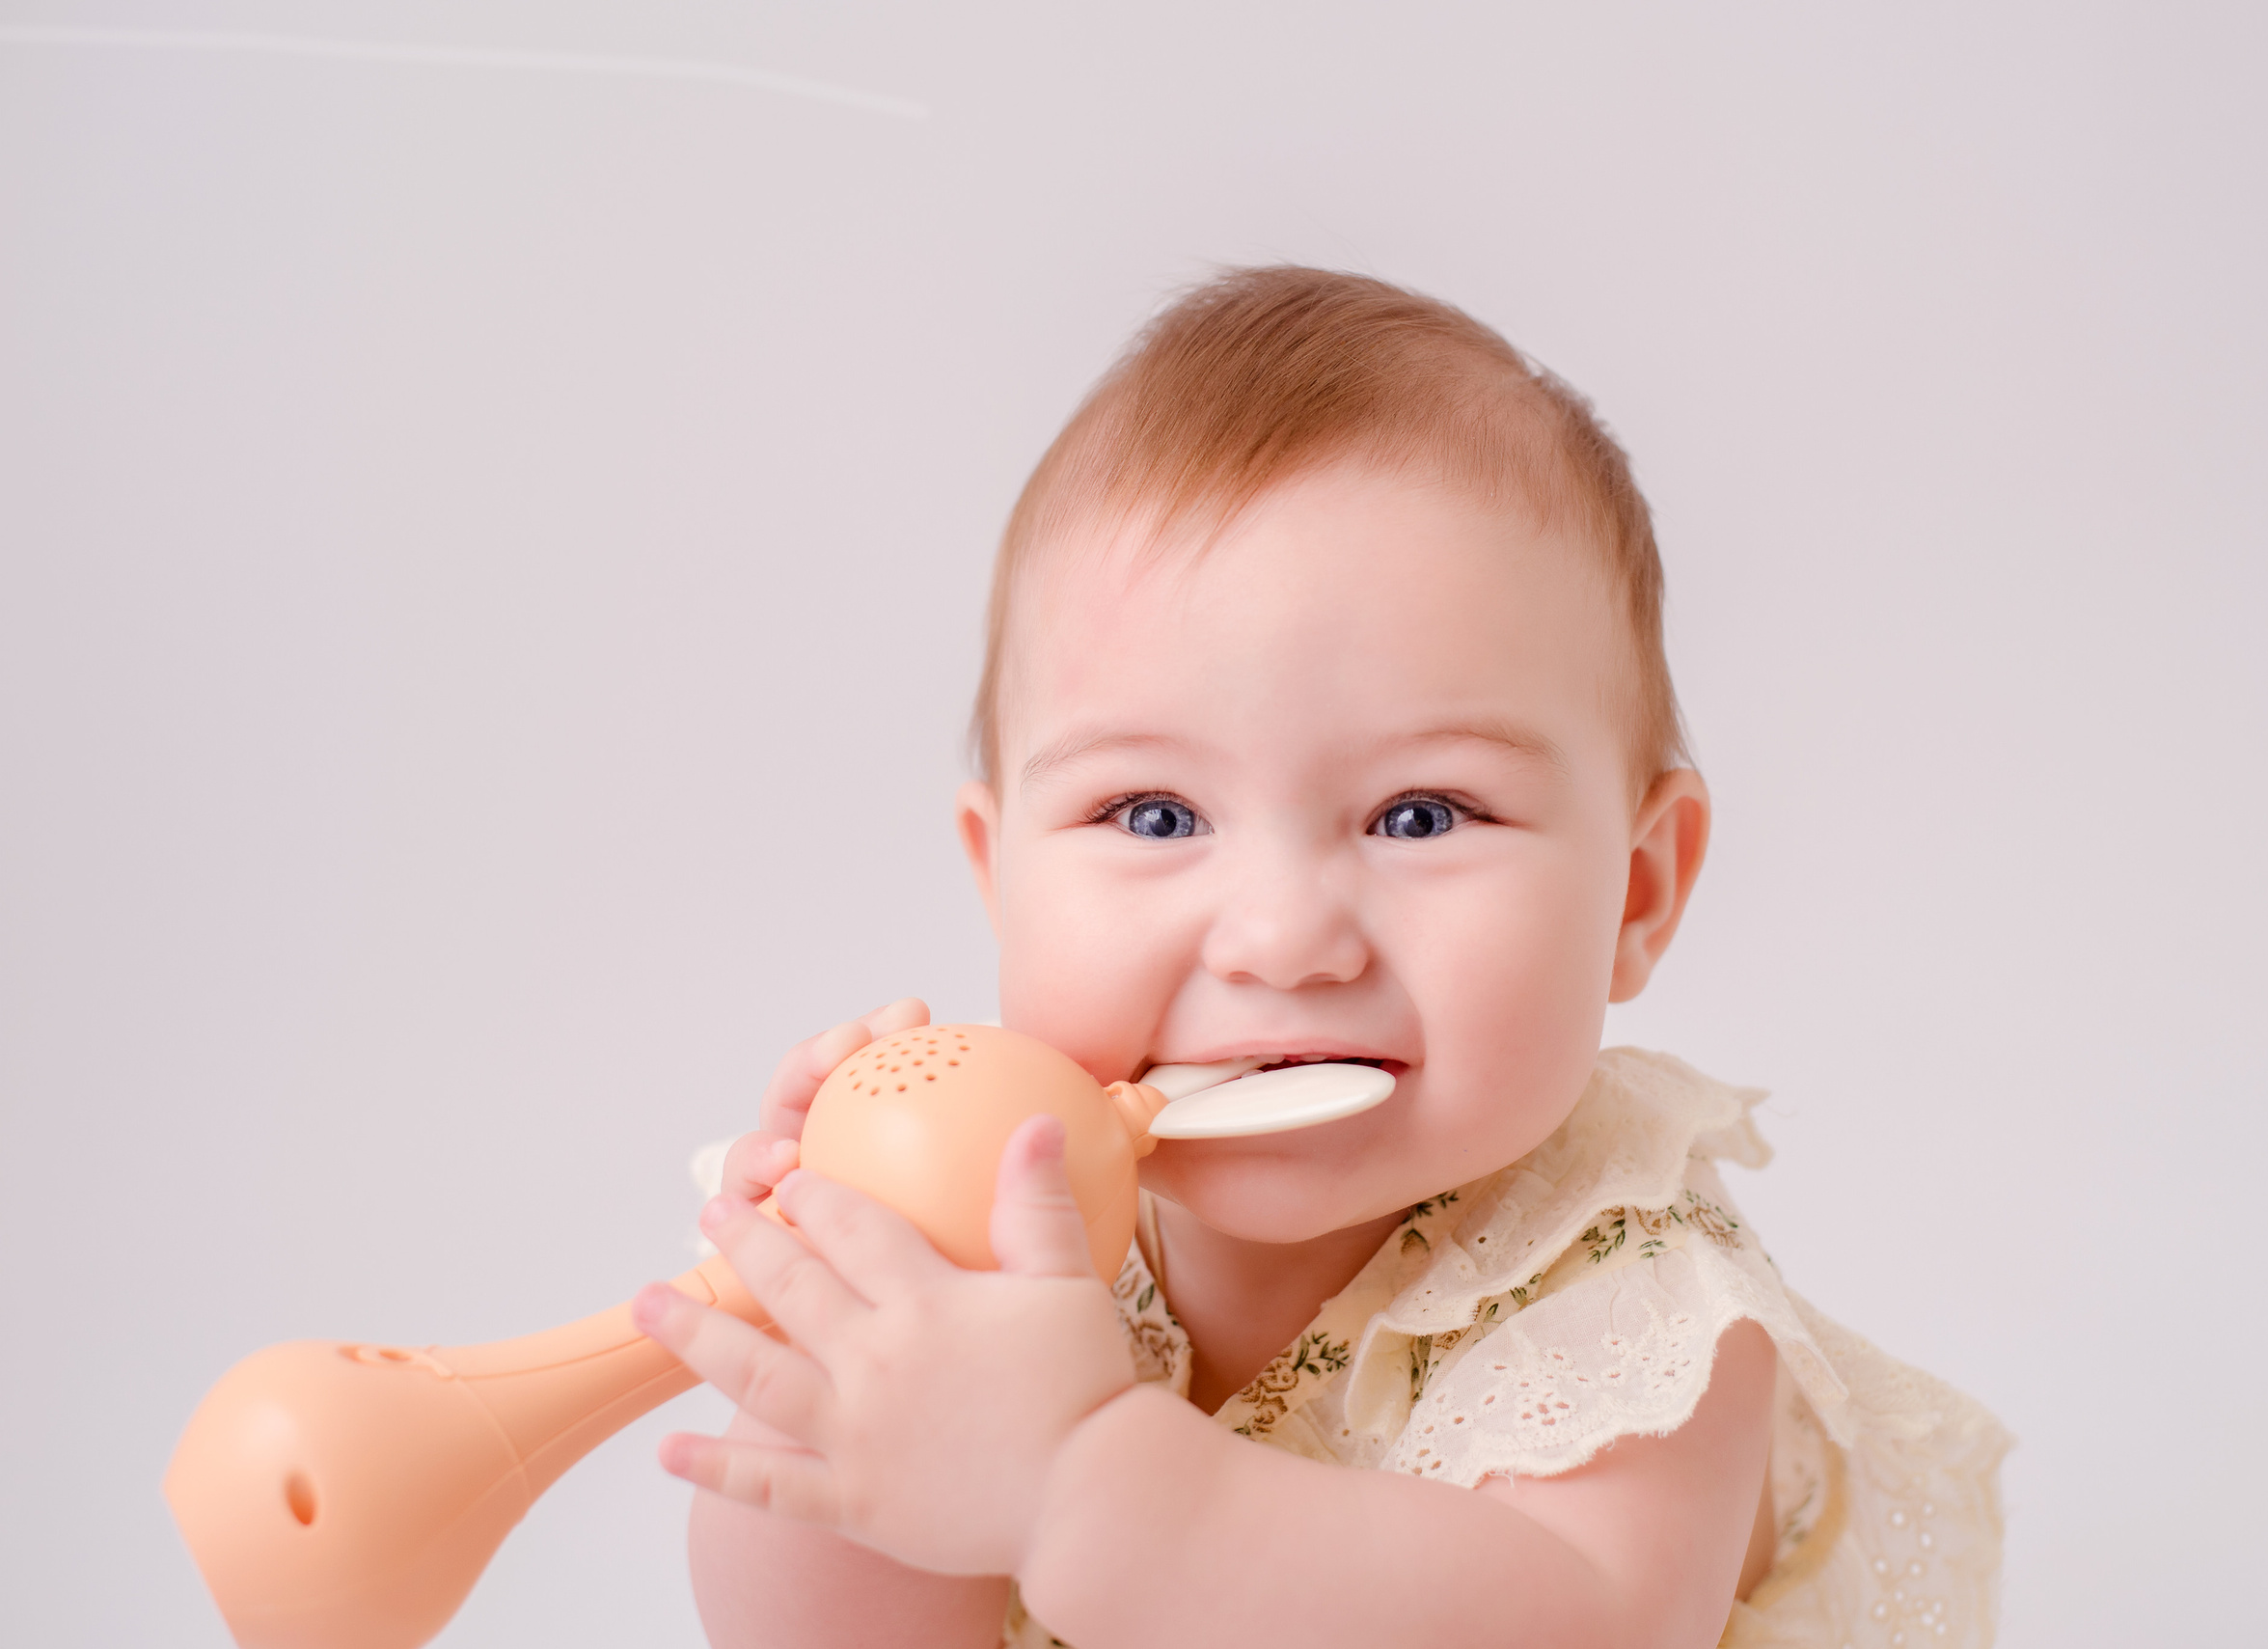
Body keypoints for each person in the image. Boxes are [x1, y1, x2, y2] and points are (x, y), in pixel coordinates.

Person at [631, 266, 2012, 1648]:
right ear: (1000, 878)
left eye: (1421, 814)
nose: (1283, 938)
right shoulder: (1027, 1241)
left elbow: (1579, 1619)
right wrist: (843, 1378)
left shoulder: (1631, 1299)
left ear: (1639, 891)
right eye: (1154, 814)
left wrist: (1074, 1479)